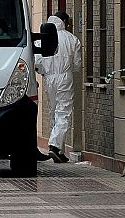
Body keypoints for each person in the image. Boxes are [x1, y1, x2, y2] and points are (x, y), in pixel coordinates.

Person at [34, 11, 82, 164]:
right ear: (65, 22)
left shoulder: (42, 38)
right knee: (64, 112)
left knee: (54, 111)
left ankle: (59, 151)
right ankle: (54, 146)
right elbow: (77, 66)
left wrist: (45, 72)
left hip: (49, 78)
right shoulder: (72, 39)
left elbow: (37, 62)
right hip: (64, 77)